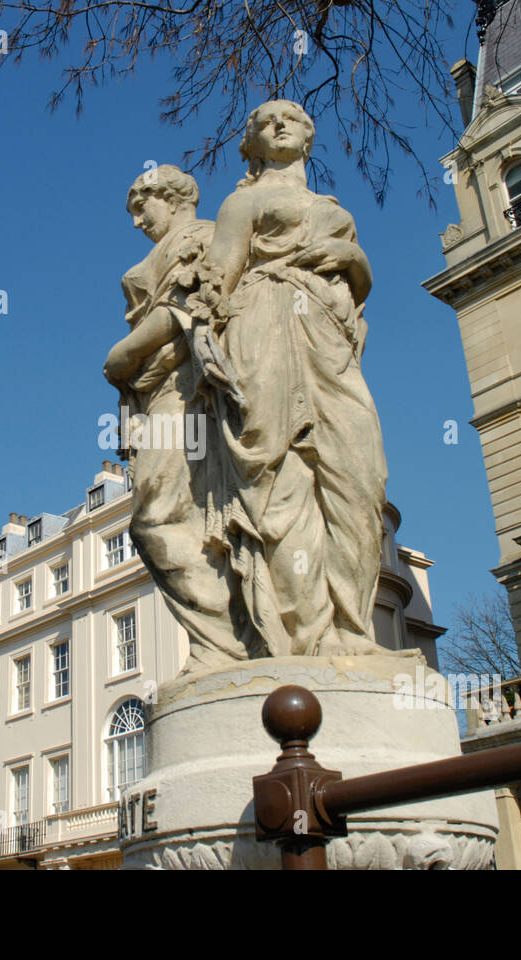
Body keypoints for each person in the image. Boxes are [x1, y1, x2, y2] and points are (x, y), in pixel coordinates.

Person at [193, 99, 389, 658]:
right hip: (262, 320)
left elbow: (362, 281)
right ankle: (311, 636)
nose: (279, 124)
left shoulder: (334, 209)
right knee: (280, 478)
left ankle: (356, 627)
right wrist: (204, 337)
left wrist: (347, 252)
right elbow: (220, 278)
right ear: (252, 144)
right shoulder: (242, 202)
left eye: (294, 118)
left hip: (328, 332)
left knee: (360, 473)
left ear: (309, 137)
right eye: (264, 121)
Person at [104, 166, 257, 671]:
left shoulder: (201, 237)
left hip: (188, 392)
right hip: (161, 397)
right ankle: (220, 639)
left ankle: (225, 640)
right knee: (167, 516)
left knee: (157, 516)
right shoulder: (170, 247)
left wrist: (122, 354)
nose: (136, 221)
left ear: (171, 198)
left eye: (140, 207)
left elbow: (185, 310)